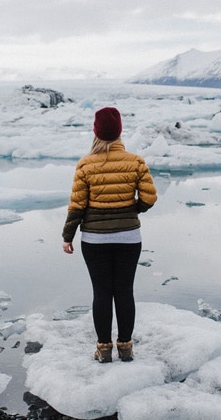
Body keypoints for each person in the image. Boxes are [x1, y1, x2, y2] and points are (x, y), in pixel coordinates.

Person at [62, 107, 158, 363]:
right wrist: (132, 210)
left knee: (102, 292)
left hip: (95, 240)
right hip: (129, 237)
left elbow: (78, 205)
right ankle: (125, 347)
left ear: (96, 132)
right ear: (119, 132)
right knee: (125, 291)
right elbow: (149, 197)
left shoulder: (86, 164)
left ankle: (104, 348)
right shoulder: (135, 161)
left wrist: (67, 236)